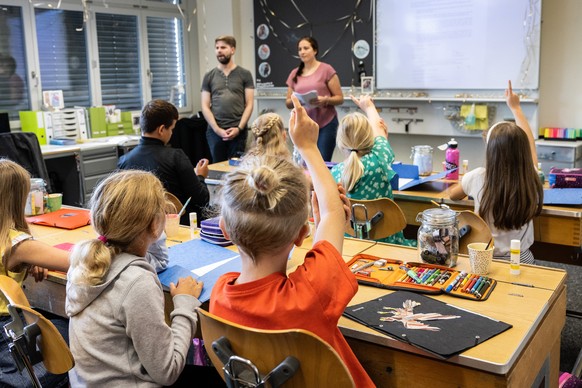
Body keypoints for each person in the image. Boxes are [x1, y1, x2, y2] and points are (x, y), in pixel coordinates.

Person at [210, 95, 375, 387]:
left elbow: (331, 214)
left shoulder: (220, 296)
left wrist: (327, 217)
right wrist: (309, 147)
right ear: (302, 236)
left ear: (224, 229)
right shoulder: (308, 295)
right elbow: (333, 212)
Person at [66, 170, 223, 387]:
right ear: (154, 225)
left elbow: (154, 259)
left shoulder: (84, 263)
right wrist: (184, 305)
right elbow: (167, 371)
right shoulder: (137, 282)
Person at [449, 81, 543, 263]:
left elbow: (453, 195)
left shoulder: (476, 177)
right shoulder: (530, 176)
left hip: (484, 259)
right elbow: (531, 148)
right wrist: (516, 109)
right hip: (520, 259)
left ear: (490, 151)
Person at [0, 159, 70, 387]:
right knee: (72, 329)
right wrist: (31, 252)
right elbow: (75, 262)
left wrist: (32, 256)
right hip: (6, 337)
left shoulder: (16, 245)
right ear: (17, 199)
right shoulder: (18, 245)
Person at [331, 95, 416, 247]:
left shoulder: (335, 173)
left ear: (340, 143)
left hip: (350, 245)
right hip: (390, 245)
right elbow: (379, 130)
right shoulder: (379, 159)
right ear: (371, 139)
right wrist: (368, 106)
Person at [118, 99, 210, 226]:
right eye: (171, 129)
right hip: (178, 227)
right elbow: (202, 199)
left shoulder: (124, 161)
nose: (172, 133)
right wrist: (200, 176)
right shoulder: (176, 157)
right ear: (161, 129)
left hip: (142, 228)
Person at [285, 36, 344, 161]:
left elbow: (340, 98)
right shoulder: (294, 73)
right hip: (303, 125)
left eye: (306, 48)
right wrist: (299, 100)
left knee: (321, 162)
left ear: (315, 50)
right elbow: (288, 102)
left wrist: (325, 100)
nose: (302, 52)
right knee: (303, 162)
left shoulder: (326, 70)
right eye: (300, 49)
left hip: (326, 125)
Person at [201, 35, 255, 163]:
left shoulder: (245, 74)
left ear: (232, 49)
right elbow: (205, 105)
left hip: (238, 131)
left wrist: (239, 128)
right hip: (215, 132)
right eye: (217, 48)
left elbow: (249, 104)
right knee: (217, 168)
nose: (219, 50)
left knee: (236, 169)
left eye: (223, 47)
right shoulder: (209, 76)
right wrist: (217, 129)